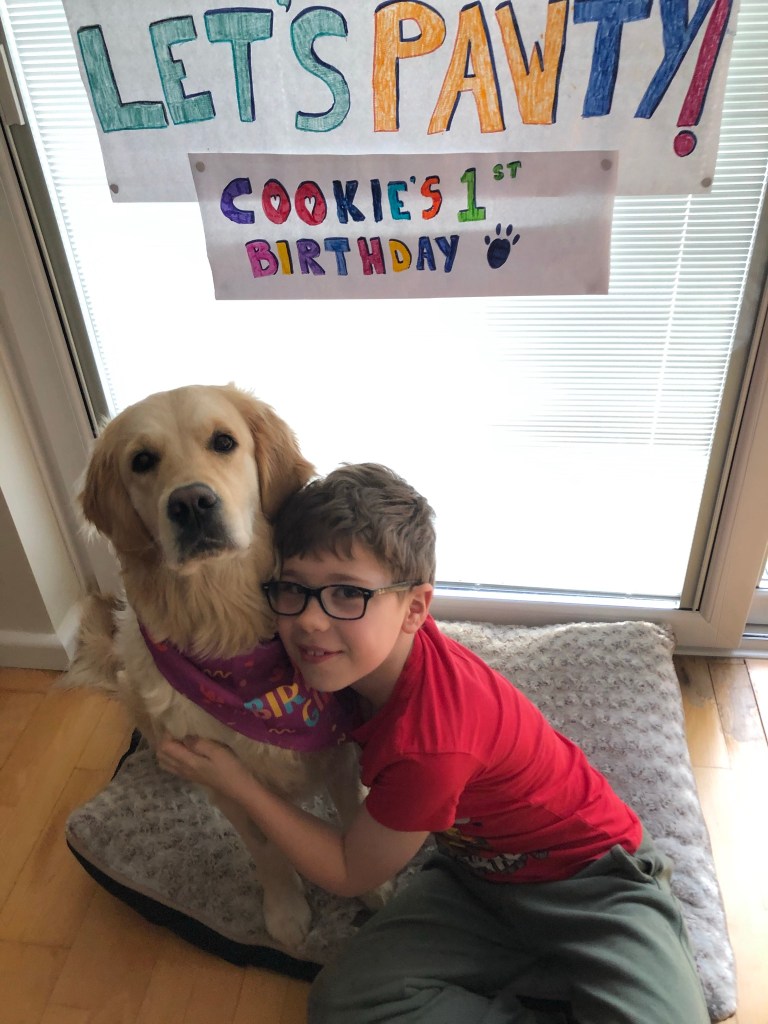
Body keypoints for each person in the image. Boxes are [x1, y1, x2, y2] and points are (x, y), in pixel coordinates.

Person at [157, 463, 710, 1024]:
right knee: (344, 1001)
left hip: (593, 883)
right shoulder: (350, 661)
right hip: (476, 877)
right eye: (294, 590)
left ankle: (574, 965)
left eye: (348, 594)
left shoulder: (431, 744)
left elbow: (352, 871)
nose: (311, 622)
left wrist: (239, 785)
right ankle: (548, 976)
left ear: (416, 609)